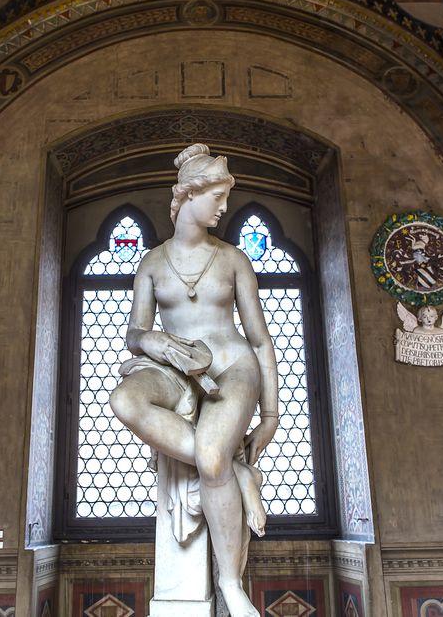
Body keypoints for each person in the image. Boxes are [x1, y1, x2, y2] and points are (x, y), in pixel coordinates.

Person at [110, 144, 278, 617]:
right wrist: (152, 343)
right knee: (124, 400)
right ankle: (235, 470)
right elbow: (133, 333)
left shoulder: (233, 259)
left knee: (209, 455)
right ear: (189, 194)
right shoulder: (152, 262)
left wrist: (270, 413)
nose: (224, 207)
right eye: (219, 196)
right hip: (173, 369)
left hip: (231, 366)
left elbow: (261, 341)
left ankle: (230, 583)